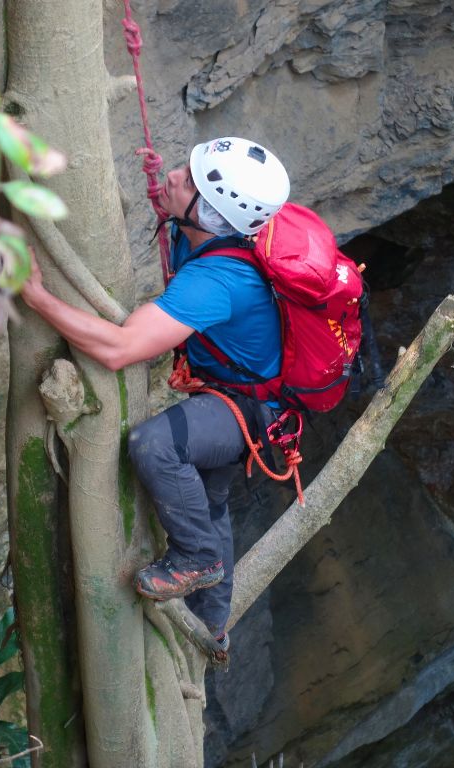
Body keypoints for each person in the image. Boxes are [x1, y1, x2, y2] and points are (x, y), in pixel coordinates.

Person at [20, 136, 291, 652]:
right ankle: (211, 627)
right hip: (240, 392)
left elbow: (121, 349)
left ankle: (197, 559)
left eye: (186, 180)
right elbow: (184, 212)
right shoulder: (218, 231)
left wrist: (35, 296)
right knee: (210, 504)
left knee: (156, 444)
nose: (171, 177)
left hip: (246, 408)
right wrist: (168, 193)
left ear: (211, 214)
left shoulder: (218, 279)